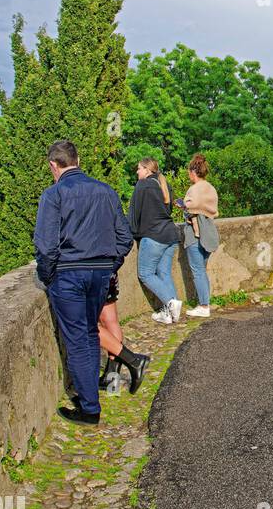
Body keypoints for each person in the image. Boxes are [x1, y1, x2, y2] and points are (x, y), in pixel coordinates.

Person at [33, 139, 134, 426]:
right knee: (90, 334)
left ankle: (90, 408)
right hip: (100, 274)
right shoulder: (106, 191)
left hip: (68, 275)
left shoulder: (53, 195)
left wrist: (48, 275)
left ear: (54, 165)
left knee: (78, 340)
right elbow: (125, 239)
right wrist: (108, 265)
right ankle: (90, 396)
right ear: (77, 160)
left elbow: (45, 245)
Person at [128, 158, 182, 324]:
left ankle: (171, 302)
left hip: (154, 236)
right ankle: (171, 314)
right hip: (171, 234)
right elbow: (168, 210)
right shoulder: (164, 184)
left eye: (138, 169)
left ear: (146, 170)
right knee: (163, 273)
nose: (137, 172)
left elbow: (134, 213)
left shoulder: (143, 185)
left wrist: (132, 233)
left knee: (145, 274)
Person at [178, 153, 219, 319]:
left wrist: (182, 204)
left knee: (198, 271)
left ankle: (203, 306)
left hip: (195, 235)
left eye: (189, 172)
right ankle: (205, 302)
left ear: (192, 172)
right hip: (208, 233)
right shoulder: (211, 188)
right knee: (202, 270)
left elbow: (191, 206)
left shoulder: (195, 189)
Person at [98, 271, 150, 394]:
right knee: (110, 320)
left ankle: (134, 361)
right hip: (107, 267)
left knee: (85, 325)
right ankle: (111, 380)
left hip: (85, 270)